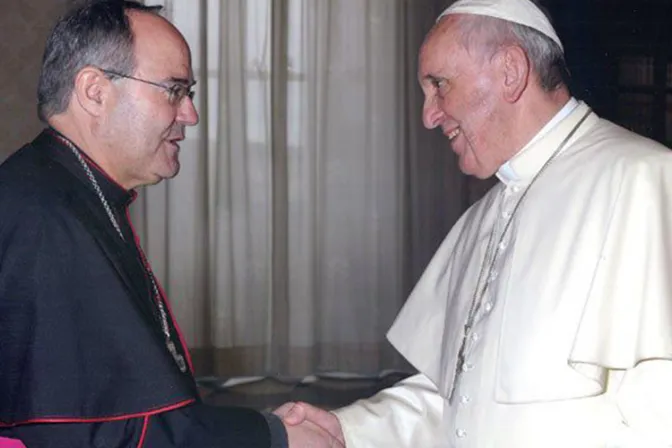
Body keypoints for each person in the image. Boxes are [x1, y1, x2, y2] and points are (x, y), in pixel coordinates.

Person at [276, 0, 672, 446]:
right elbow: (455, 401)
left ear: (510, 70)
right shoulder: (482, 218)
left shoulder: (646, 181)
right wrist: (345, 431)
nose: (428, 115)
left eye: (439, 85)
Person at [0, 1, 343, 447]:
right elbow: (99, 435)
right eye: (174, 90)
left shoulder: (72, 194)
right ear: (94, 91)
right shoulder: (43, 219)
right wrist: (273, 437)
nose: (191, 115)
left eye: (190, 93)